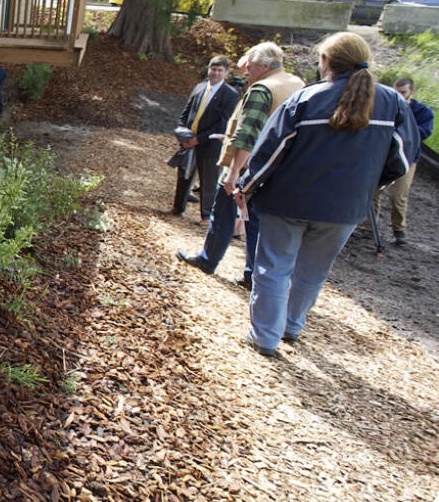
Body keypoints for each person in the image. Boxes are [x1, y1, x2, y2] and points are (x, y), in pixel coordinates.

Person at [237, 32, 420, 356]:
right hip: (345, 209)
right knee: (312, 271)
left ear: (325, 62)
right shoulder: (393, 103)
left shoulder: (306, 100)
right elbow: (402, 159)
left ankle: (265, 336)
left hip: (288, 201)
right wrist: (366, 186)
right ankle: (292, 326)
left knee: (274, 267)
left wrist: (246, 187)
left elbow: (271, 151)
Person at [176, 43, 304, 286]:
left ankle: (208, 260)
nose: (246, 73)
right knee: (255, 220)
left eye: (251, 67)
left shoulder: (262, 89)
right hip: (277, 167)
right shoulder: (295, 83)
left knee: (225, 213)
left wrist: (234, 172)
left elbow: (248, 133)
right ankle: (253, 274)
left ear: (265, 66)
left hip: (248, 169)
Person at [171, 56, 239, 219]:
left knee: (208, 179)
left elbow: (222, 124)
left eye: (219, 70)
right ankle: (177, 208)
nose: (215, 73)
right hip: (189, 140)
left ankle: (206, 215)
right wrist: (183, 134)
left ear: (226, 73)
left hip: (210, 143)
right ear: (208, 69)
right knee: (184, 175)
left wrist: (198, 139)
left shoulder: (231, 95)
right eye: (213, 69)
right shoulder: (200, 87)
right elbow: (186, 113)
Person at [372, 77, 434, 245]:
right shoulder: (388, 106)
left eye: (403, 92)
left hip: (407, 158)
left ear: (412, 91)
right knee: (373, 191)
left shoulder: (423, 112)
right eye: (396, 92)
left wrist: (400, 132)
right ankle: (368, 227)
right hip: (383, 156)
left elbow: (421, 133)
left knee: (398, 194)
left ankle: (399, 230)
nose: (399, 95)